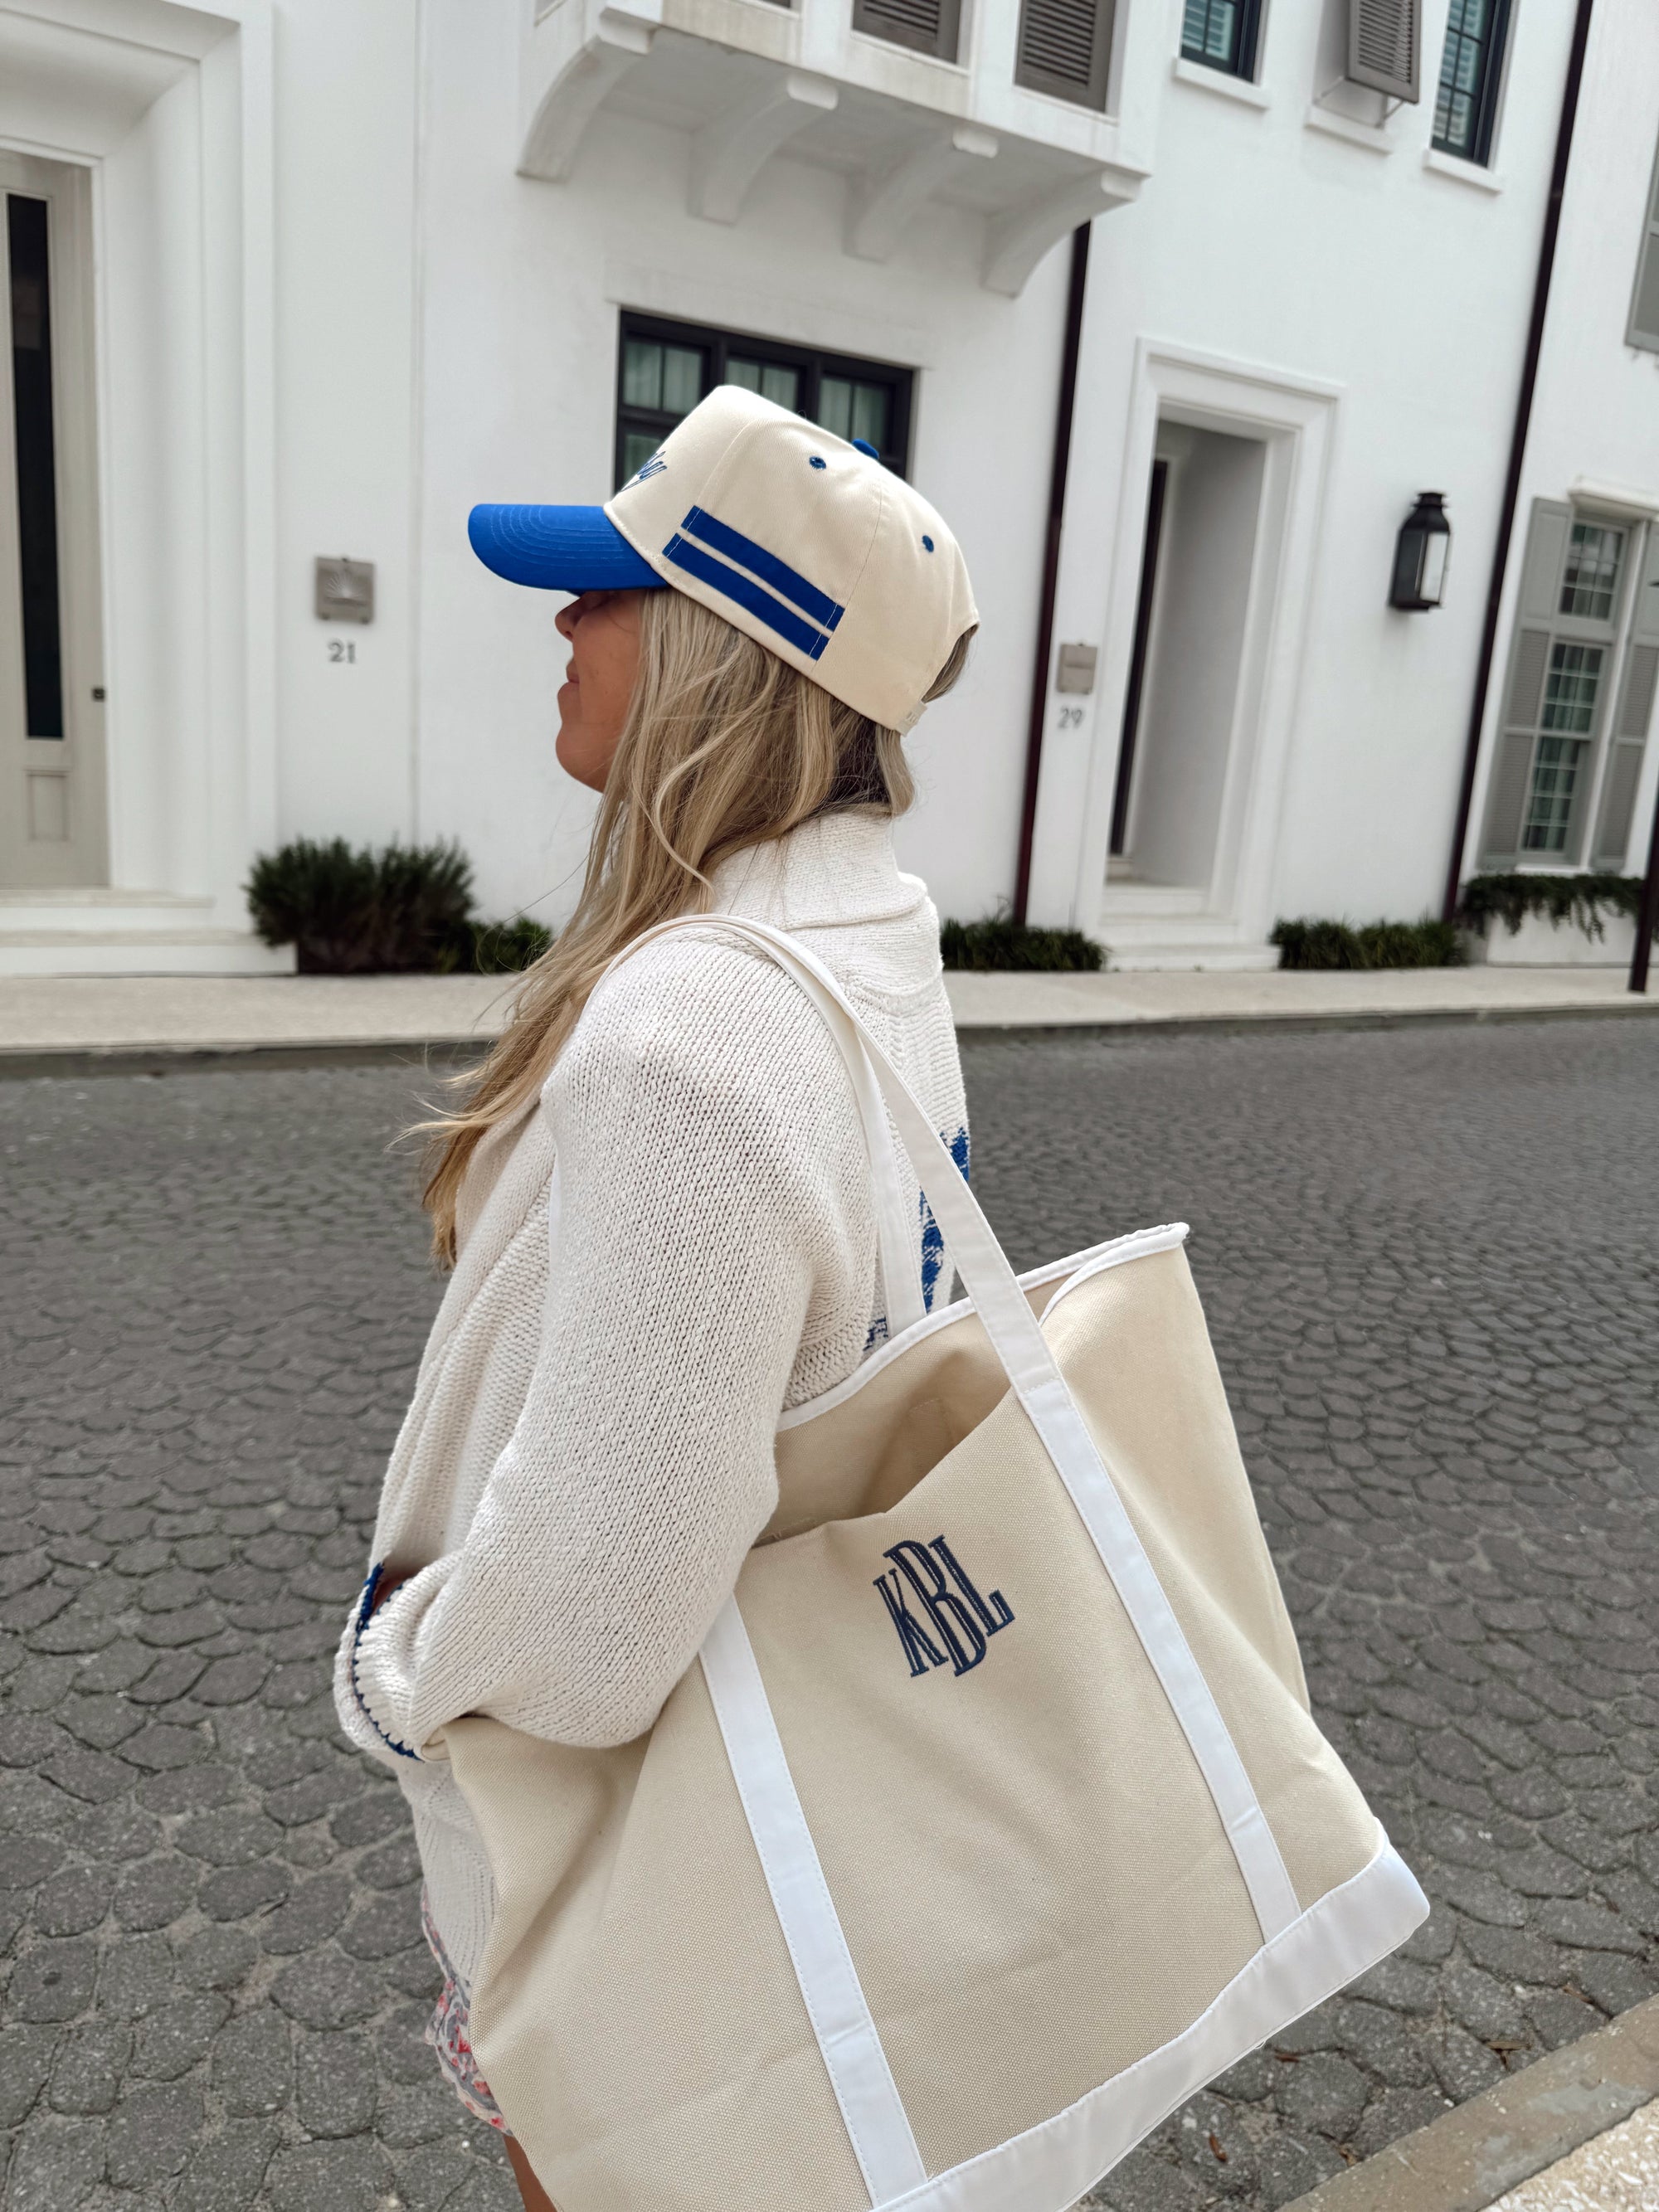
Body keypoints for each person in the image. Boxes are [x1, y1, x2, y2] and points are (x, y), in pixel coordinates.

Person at [332, 385, 979, 2212]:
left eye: (606, 590)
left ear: (718, 650)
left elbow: (600, 1616)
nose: (563, 621)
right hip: (779, 1804)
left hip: (639, 1859)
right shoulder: (873, 945)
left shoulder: (695, 1025)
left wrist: (396, 1673)